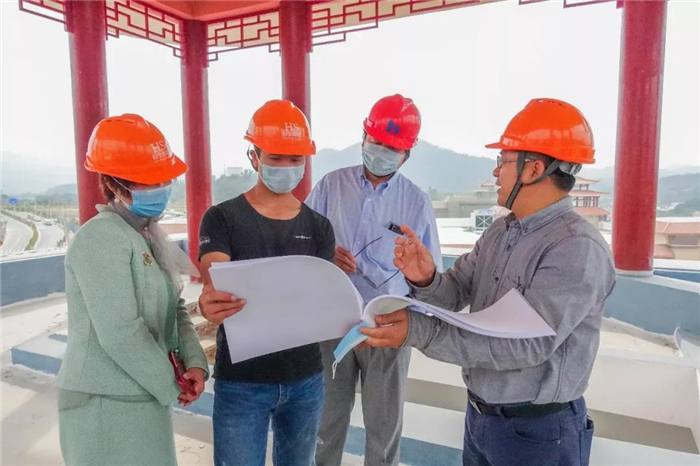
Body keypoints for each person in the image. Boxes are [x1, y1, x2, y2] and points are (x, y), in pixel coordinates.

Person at [360, 98, 616, 466]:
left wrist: (418, 331)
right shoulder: (501, 231)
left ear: (534, 169)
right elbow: (454, 293)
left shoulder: (575, 248)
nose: (496, 172)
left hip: (538, 432)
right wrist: (425, 277)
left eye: (503, 161)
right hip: (482, 418)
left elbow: (524, 345)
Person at [58, 114, 208, 466]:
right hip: (105, 402)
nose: (161, 187)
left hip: (142, 392)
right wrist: (171, 384)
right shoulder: (100, 237)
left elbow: (175, 305)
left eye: (164, 178)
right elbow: (120, 331)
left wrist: (195, 363)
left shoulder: (147, 233)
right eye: (148, 180)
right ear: (112, 183)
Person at [197, 100, 336, 466]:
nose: (287, 167)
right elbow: (216, 277)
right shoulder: (222, 218)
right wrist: (209, 301)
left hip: (306, 378)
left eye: (295, 159)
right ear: (254, 156)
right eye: (276, 157)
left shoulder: (319, 227)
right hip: (242, 381)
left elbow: (322, 298)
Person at [307, 94, 442, 466]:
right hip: (331, 323)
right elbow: (302, 244)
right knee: (324, 423)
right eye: (377, 141)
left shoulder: (416, 202)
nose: (381, 152)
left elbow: (430, 277)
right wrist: (325, 255)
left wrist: (413, 327)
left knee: (384, 430)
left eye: (392, 148)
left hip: (388, 327)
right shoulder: (330, 186)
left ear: (406, 155)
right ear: (363, 137)